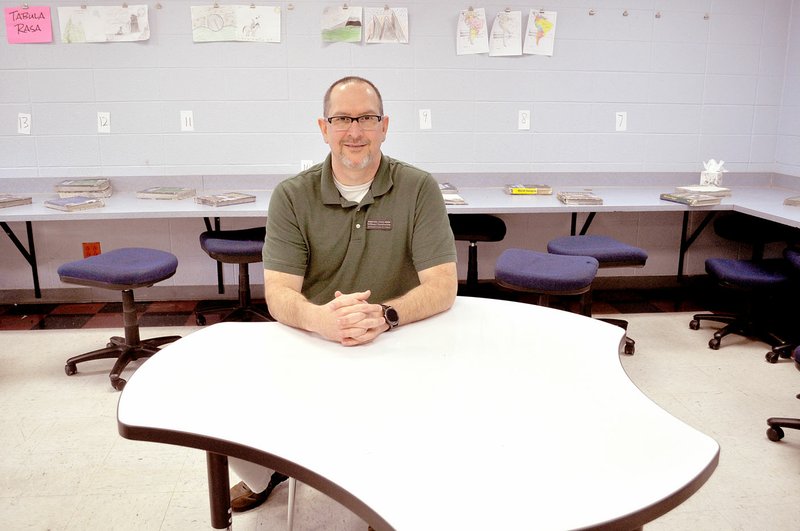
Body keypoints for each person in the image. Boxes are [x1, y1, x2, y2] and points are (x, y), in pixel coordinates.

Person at [228, 76, 458, 513]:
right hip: (315, 336)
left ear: (384, 126)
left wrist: (385, 315)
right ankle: (266, 472)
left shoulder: (418, 188)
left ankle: (387, 498)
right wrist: (323, 321)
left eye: (367, 118)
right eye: (342, 119)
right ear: (323, 127)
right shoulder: (292, 195)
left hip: (396, 336)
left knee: (404, 439)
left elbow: (443, 285)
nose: (355, 131)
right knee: (232, 405)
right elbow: (278, 293)